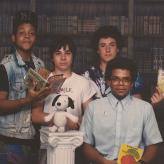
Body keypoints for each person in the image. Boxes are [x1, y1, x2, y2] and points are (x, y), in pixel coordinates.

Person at [81, 57, 162, 164]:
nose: (121, 84)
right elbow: (86, 145)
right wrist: (103, 161)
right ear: (108, 81)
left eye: (126, 79)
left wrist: (141, 163)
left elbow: (153, 144)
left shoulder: (145, 108)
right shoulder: (93, 108)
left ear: (132, 83)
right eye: (115, 79)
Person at [32, 35, 96, 164]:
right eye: (58, 53)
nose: (63, 58)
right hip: (49, 143)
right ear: (52, 57)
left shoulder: (83, 82)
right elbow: (35, 116)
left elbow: (91, 116)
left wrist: (76, 122)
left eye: (67, 53)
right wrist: (60, 119)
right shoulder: (43, 81)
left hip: (75, 144)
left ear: (73, 57)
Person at [0, 10, 51, 164]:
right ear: (14, 38)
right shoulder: (5, 67)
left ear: (35, 37)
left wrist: (46, 90)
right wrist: (28, 99)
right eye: (22, 33)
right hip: (10, 140)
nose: (27, 36)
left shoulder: (40, 65)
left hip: (33, 138)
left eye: (31, 33)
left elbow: (38, 103)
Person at [83, 25, 144, 99]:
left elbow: (137, 105)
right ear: (97, 50)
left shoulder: (131, 72)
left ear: (118, 48)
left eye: (112, 45)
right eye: (103, 45)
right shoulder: (86, 76)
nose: (107, 50)